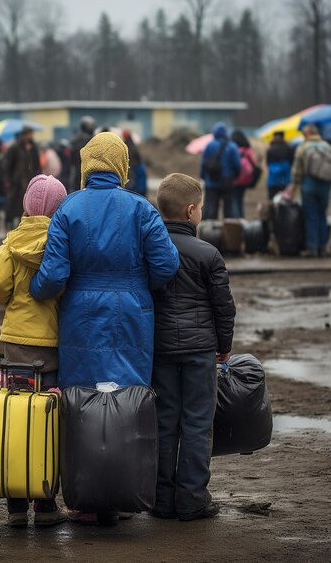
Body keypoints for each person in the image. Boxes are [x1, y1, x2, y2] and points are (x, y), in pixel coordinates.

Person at [30, 132, 179, 526]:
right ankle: (122, 493)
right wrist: (134, 284)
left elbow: (54, 274)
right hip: (132, 313)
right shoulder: (140, 208)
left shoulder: (68, 209)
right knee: (127, 399)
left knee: (81, 402)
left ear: (87, 163)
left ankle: (85, 497)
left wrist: (34, 290)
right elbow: (166, 265)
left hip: (81, 315)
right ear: (122, 165)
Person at [152, 173, 236, 521]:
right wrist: (224, 346)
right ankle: (192, 500)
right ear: (190, 211)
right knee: (198, 423)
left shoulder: (151, 250)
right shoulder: (208, 254)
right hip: (201, 351)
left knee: (165, 422)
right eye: (201, 207)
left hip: (160, 350)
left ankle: (162, 499)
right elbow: (223, 306)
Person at [0, 174, 68, 528]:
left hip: (16, 343)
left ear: (25, 205)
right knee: (48, 421)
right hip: (51, 344)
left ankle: (16, 507)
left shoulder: (11, 243)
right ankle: (46, 505)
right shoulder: (61, 242)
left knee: (17, 419)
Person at [286, 124, 331, 257]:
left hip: (309, 185)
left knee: (310, 216)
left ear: (307, 134)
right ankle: (323, 248)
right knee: (322, 214)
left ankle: (312, 247)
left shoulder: (303, 147)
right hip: (325, 185)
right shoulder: (327, 146)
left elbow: (297, 170)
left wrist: (293, 186)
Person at [200, 123, 241, 219]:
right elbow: (237, 165)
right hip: (227, 182)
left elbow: (203, 164)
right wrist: (234, 177)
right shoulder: (232, 146)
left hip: (211, 181)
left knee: (211, 208)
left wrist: (204, 177)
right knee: (229, 208)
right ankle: (229, 228)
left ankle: (209, 230)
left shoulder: (209, 146)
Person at [3, 128, 41, 230]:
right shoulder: (15, 147)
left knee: (26, 203)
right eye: (29, 134)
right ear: (23, 135)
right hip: (16, 181)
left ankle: (22, 223)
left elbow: (36, 164)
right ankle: (8, 221)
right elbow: (8, 165)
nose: (31, 136)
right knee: (12, 202)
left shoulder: (33, 148)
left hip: (29, 180)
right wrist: (9, 179)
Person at [231, 130, 258, 218]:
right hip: (245, 179)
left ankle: (237, 219)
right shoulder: (248, 150)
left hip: (234, 179)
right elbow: (254, 163)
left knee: (235, 200)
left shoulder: (232, 148)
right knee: (240, 199)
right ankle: (242, 218)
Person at [69, 116, 96, 192]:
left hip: (77, 173)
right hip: (90, 173)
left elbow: (71, 161)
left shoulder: (74, 140)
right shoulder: (94, 140)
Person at [266, 131, 294, 199]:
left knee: (272, 198)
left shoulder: (270, 149)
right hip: (284, 178)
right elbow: (292, 161)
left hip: (273, 179)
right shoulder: (288, 148)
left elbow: (268, 162)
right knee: (284, 198)